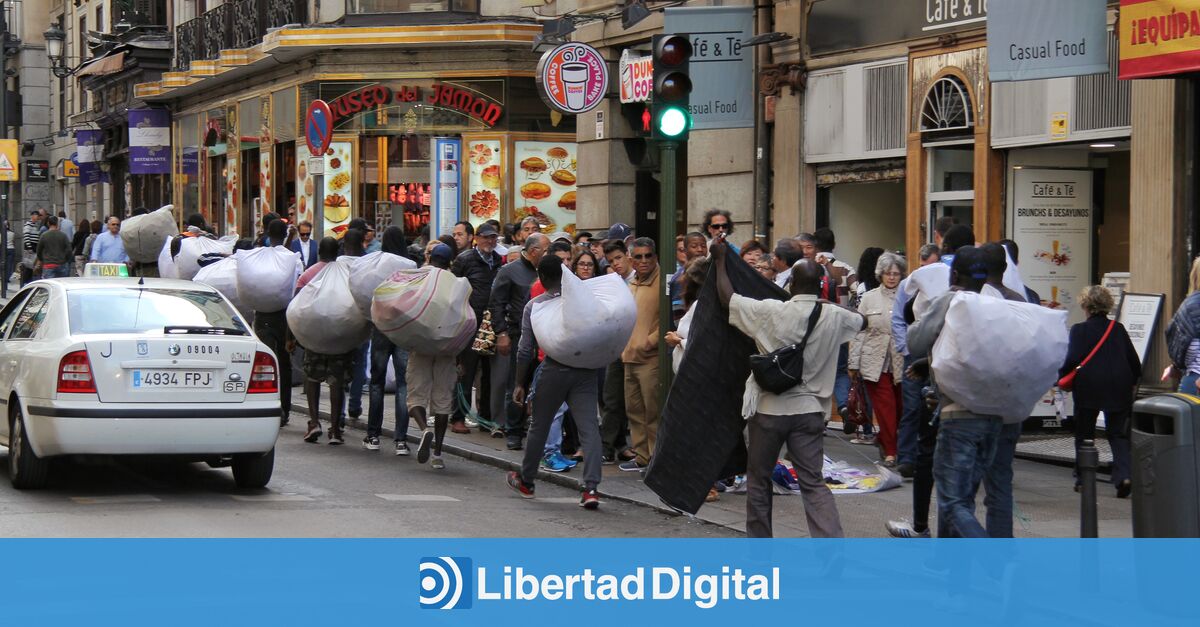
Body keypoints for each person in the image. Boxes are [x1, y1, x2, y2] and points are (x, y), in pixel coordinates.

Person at [713, 242, 866, 538]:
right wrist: (828, 304)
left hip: (770, 410)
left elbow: (727, 299)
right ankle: (831, 546)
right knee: (813, 482)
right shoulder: (833, 316)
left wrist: (720, 261)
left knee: (759, 480)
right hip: (810, 412)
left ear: (791, 283)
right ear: (821, 285)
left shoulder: (770, 312)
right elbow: (863, 321)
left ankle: (761, 554)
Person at [906, 246, 1000, 538]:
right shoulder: (996, 301)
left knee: (952, 501)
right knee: (965, 498)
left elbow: (915, 341)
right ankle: (956, 577)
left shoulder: (950, 300)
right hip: (993, 414)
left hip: (956, 413)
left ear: (954, 274)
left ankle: (991, 558)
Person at [506, 255, 605, 509]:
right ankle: (591, 488)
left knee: (540, 425)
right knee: (589, 428)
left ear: (541, 277)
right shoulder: (584, 301)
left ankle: (527, 481)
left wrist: (519, 382)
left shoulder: (536, 306)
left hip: (554, 369)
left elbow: (525, 350)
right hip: (586, 370)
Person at [1062, 286, 1140, 499]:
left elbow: (1072, 359)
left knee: (1085, 434)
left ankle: (1083, 479)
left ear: (1086, 305)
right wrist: (1133, 381)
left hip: (1089, 386)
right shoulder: (1118, 328)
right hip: (1119, 385)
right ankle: (1124, 476)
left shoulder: (1078, 330)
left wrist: (1061, 376)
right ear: (1107, 305)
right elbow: (1134, 361)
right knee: (1118, 434)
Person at [404, 242, 461, 470]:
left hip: (421, 343)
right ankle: (437, 453)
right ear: (449, 262)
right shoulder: (455, 283)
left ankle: (423, 429)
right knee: (443, 400)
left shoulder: (419, 277)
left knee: (415, 396)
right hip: (446, 347)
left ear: (430, 258)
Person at [489, 233, 548, 450]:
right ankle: (513, 430)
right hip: (518, 334)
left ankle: (536, 430)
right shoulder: (509, 271)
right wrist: (501, 333)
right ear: (534, 251)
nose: (548, 254)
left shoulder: (547, 270)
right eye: (546, 250)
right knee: (516, 383)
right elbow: (496, 304)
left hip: (545, 334)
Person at [298, 234, 357, 445]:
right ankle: (335, 429)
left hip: (314, 337)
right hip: (339, 337)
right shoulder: (345, 275)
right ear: (337, 254)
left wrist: (293, 336)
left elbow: (296, 304)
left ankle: (314, 422)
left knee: (312, 379)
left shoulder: (309, 274)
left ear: (319, 253)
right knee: (337, 383)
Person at [848, 252, 906, 467]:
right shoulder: (869, 297)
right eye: (888, 273)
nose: (891, 277)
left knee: (901, 407)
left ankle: (885, 439)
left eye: (896, 274)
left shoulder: (908, 296)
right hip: (874, 361)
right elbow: (859, 331)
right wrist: (853, 363)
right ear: (880, 274)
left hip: (901, 360)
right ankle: (891, 452)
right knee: (886, 408)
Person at [363, 227, 413, 454]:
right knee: (403, 384)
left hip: (381, 327)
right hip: (403, 328)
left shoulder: (378, 263)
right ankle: (401, 440)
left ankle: (373, 435)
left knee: (377, 382)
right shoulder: (410, 265)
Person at [451, 222, 504, 434]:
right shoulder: (465, 260)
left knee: (489, 373)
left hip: (491, 322)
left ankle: (485, 418)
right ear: (477, 238)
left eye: (493, 238)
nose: (490, 241)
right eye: (486, 237)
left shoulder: (498, 261)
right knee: (467, 371)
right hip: (470, 321)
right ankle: (457, 417)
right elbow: (453, 290)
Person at [619, 237, 662, 472]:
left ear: (655, 257)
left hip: (650, 358)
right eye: (639, 256)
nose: (644, 260)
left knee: (652, 411)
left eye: (648, 256)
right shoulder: (631, 283)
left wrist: (651, 342)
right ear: (631, 259)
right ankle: (642, 456)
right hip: (629, 357)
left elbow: (668, 319)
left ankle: (655, 457)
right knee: (634, 410)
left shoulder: (663, 282)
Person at [252, 219, 296, 428]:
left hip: (262, 316)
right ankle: (284, 409)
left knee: (265, 362)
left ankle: (266, 404)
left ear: (268, 234)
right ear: (286, 233)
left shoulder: (259, 255)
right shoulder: (291, 257)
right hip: (285, 317)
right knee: (284, 363)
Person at [20, 210, 43, 286]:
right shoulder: (28, 225)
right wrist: (29, 248)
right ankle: (26, 283)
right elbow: (26, 236)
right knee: (28, 267)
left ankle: (28, 282)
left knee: (31, 266)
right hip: (30, 248)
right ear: (33, 216)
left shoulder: (34, 225)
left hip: (33, 247)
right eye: (37, 215)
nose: (38, 217)